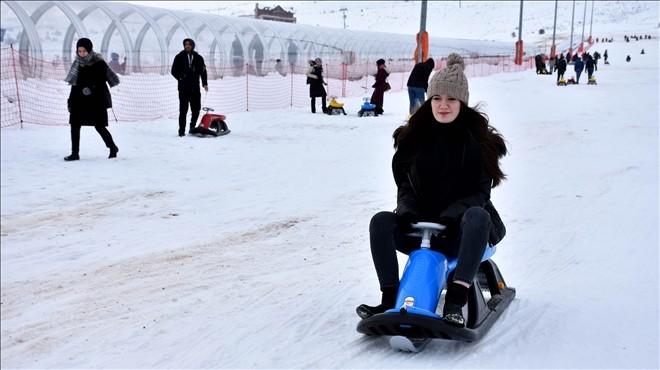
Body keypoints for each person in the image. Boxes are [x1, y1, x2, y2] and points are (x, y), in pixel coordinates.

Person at [356, 53, 508, 327]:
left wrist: (453, 215)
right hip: (420, 228)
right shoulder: (414, 138)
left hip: (461, 233)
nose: (443, 105)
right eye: (437, 98)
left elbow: (479, 193)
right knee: (381, 221)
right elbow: (406, 186)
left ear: (462, 102)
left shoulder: (477, 143)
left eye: (451, 99)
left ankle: (455, 301)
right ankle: (390, 298)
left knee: (478, 215)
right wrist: (406, 211)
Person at [63, 37, 120, 161]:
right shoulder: (77, 63)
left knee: (99, 126)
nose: (82, 53)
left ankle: (112, 147)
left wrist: (91, 89)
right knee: (75, 125)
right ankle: (75, 153)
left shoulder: (98, 63)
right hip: (79, 100)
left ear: (89, 50)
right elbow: (74, 85)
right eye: (79, 51)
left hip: (96, 101)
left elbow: (101, 81)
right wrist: (70, 101)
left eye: (84, 50)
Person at [171, 38, 208, 137]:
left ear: (192, 46)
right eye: (186, 44)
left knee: (196, 110)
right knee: (183, 110)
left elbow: (203, 71)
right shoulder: (179, 57)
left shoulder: (198, 58)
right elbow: (173, 71)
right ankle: (181, 131)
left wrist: (205, 83)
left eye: (189, 44)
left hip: (195, 88)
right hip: (183, 88)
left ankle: (192, 128)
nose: (187, 46)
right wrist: (181, 78)